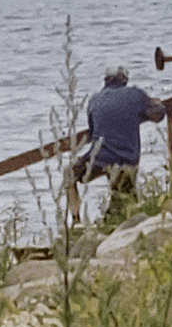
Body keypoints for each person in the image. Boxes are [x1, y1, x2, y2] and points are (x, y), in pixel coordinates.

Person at [68, 65, 166, 222]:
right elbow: (158, 115)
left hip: (99, 158)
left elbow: (93, 133)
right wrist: (155, 104)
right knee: (127, 202)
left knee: (70, 174)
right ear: (125, 80)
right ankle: (122, 219)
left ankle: (76, 220)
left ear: (105, 81)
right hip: (126, 159)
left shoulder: (94, 100)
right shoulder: (135, 94)